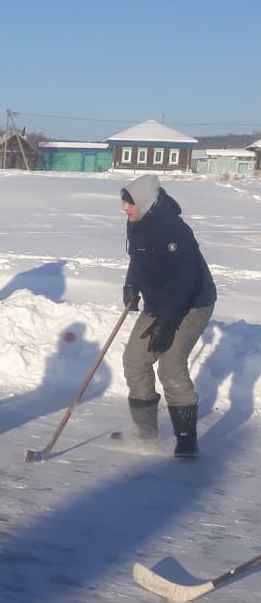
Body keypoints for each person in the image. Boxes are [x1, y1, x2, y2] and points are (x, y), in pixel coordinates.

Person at [120, 173, 216, 458]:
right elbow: (138, 259)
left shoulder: (173, 230)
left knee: (171, 366)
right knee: (134, 360)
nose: (125, 209)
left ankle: (186, 442)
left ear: (144, 202)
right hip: (159, 303)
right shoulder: (137, 224)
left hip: (192, 303)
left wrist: (166, 321)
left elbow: (185, 281)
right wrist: (131, 285)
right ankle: (146, 434)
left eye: (129, 203)